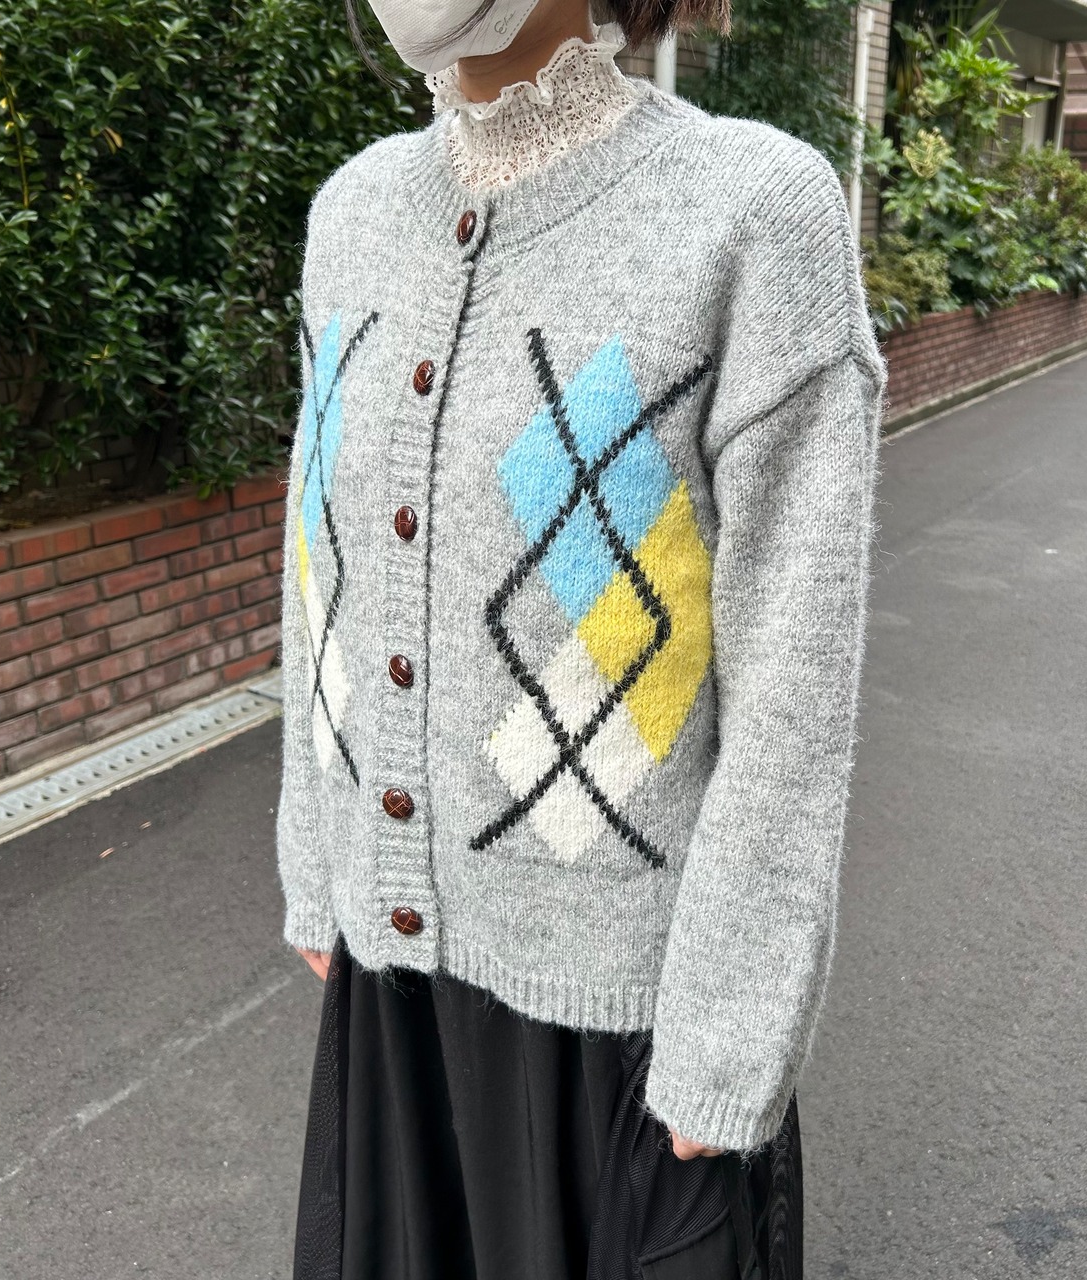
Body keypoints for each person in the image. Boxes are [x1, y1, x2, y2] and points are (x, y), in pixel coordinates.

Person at [277, 0, 887, 1276]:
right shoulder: (351, 215)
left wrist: (728, 1029)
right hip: (393, 995)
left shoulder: (746, 212)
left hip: (625, 1035)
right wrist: (315, 862)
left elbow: (791, 689)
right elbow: (319, 570)